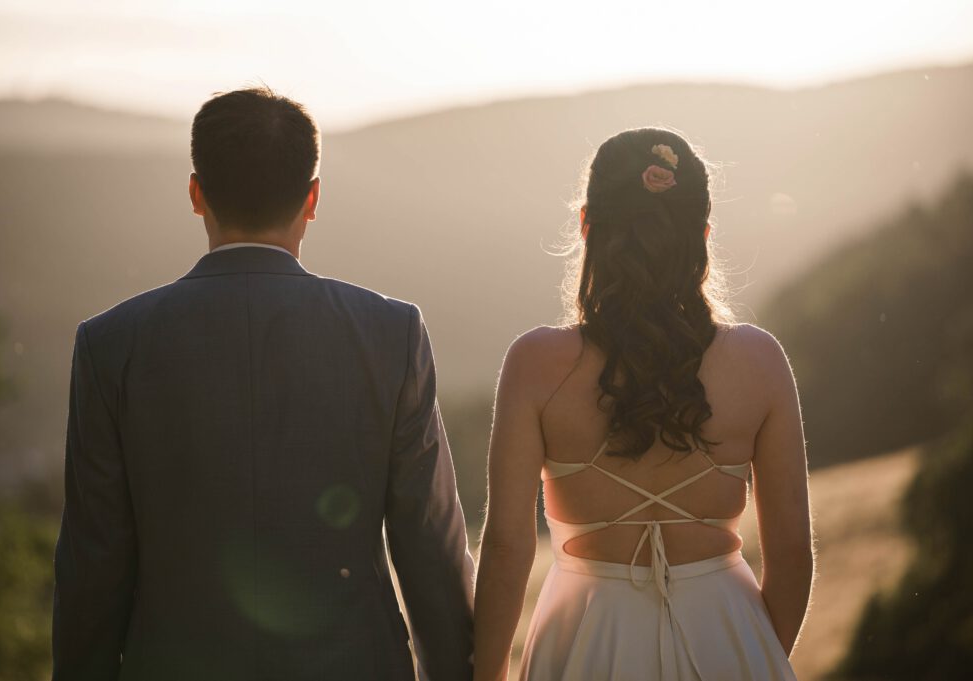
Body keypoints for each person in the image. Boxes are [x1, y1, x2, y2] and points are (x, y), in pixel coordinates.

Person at [52, 86, 475, 681]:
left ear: (196, 194)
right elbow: (429, 544)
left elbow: (93, 565)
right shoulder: (391, 333)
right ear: (313, 198)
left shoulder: (110, 344)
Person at [473, 128, 813, 680]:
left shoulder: (534, 365)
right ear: (703, 234)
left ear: (586, 225)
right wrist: (756, 653)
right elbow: (793, 551)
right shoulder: (760, 361)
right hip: (728, 632)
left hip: (584, 635)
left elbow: (507, 549)